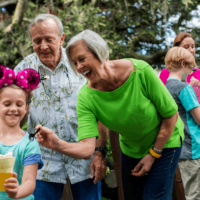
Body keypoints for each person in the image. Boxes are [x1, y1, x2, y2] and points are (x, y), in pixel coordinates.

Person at [35, 29, 185, 200]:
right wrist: (56, 144)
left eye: (82, 59)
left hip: (165, 143)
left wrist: (153, 154)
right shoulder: (86, 96)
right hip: (132, 149)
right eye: (75, 63)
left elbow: (171, 115)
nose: (79, 67)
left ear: (99, 52)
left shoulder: (140, 71)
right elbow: (86, 147)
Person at [14, 14, 107, 200]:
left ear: (61, 38)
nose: (43, 46)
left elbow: (100, 111)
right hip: (41, 163)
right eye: (37, 40)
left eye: (49, 39)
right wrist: (27, 100)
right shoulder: (22, 71)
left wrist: (100, 153)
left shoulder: (80, 64)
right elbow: (15, 119)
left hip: (84, 161)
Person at [0, 65, 43, 200]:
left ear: (26, 108)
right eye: (7, 104)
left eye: (19, 105)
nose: (13, 109)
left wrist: (16, 192)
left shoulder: (29, 144)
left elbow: (29, 182)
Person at [165, 47, 200, 200]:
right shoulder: (184, 88)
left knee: (184, 192)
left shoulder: (165, 88)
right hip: (193, 148)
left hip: (177, 147)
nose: (192, 72)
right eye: (191, 67)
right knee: (194, 194)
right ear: (182, 63)